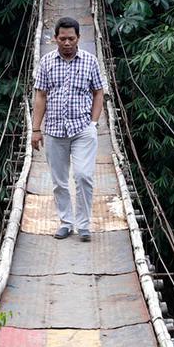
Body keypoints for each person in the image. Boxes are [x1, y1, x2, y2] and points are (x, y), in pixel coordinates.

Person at [30, 16, 105, 242]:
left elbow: (98, 92)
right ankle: (66, 222)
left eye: (71, 38)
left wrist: (93, 123)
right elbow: (40, 95)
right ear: (55, 39)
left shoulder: (91, 62)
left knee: (83, 176)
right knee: (59, 181)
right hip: (54, 130)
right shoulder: (46, 62)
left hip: (82, 128)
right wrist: (35, 129)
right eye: (62, 38)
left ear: (79, 38)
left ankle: (83, 224)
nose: (67, 43)